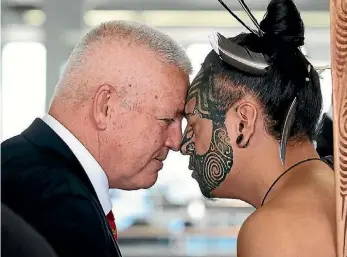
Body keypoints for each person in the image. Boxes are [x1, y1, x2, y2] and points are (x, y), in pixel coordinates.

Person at [2, 20, 191, 257]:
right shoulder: (63, 206)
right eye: (167, 120)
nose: (177, 142)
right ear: (105, 108)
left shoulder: (17, 165)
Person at [180, 0, 336, 256]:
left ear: (243, 122)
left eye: (194, 124)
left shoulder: (274, 228)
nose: (183, 145)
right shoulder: (332, 186)